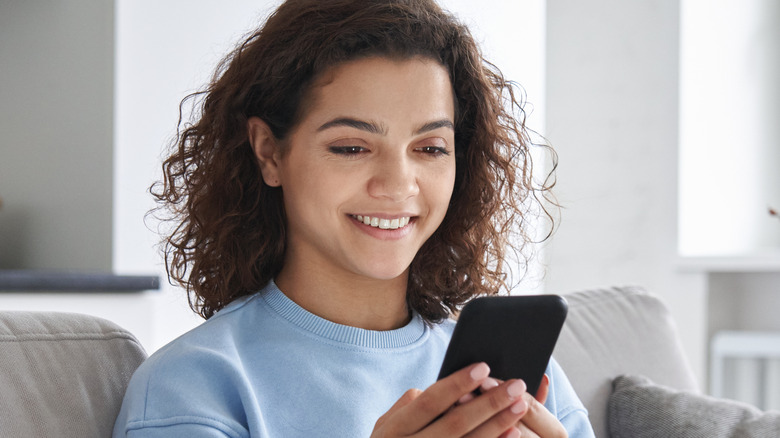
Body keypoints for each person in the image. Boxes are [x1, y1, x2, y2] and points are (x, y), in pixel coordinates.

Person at [113, 0, 595, 437]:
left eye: (429, 148)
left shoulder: (518, 388)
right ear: (269, 153)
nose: (398, 184)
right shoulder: (192, 387)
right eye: (351, 147)